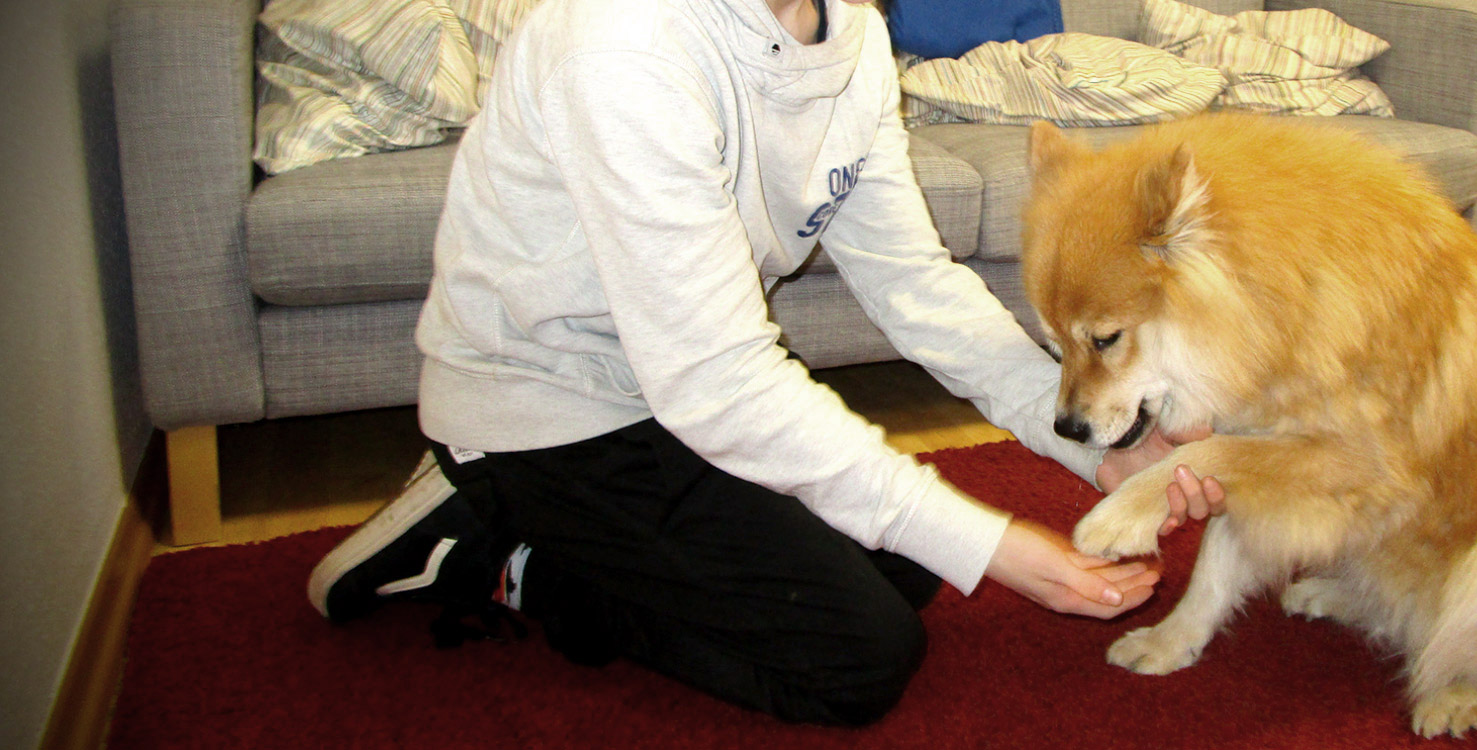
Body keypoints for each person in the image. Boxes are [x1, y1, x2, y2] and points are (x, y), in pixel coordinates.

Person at [307, 0, 1225, 727]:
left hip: (677, 394)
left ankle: (546, 526)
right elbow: (721, 382)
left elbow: (914, 284)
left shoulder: (855, 38)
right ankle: (505, 548)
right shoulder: (623, 47)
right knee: (859, 657)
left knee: (900, 567)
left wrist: (1098, 456)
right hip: (549, 408)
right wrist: (994, 547)